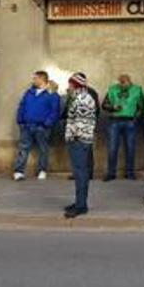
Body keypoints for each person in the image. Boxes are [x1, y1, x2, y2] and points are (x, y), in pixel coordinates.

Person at [14, 71, 60, 181]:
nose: (33, 80)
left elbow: (55, 111)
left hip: (42, 126)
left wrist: (47, 123)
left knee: (43, 149)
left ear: (41, 79)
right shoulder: (29, 92)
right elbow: (22, 106)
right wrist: (20, 120)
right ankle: (18, 171)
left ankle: (42, 170)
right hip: (27, 125)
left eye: (35, 78)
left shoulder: (52, 94)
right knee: (23, 148)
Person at [63, 73, 98, 219]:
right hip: (79, 139)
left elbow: (81, 122)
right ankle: (79, 202)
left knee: (80, 173)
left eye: (70, 84)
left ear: (76, 85)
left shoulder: (83, 99)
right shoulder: (79, 97)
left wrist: (74, 136)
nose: (68, 86)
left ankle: (81, 205)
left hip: (80, 140)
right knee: (79, 173)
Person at [102, 74, 143, 181]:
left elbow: (140, 107)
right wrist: (112, 107)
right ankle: (111, 173)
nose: (122, 85)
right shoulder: (112, 89)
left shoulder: (137, 90)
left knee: (130, 148)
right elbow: (104, 105)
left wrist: (135, 118)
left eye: (124, 83)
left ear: (129, 81)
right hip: (115, 120)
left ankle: (130, 172)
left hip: (130, 121)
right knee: (112, 148)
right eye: (120, 82)